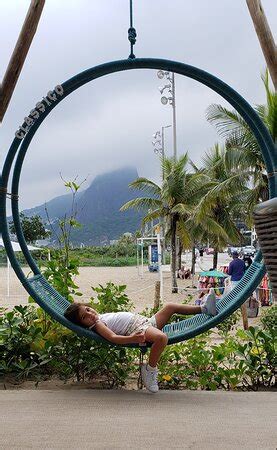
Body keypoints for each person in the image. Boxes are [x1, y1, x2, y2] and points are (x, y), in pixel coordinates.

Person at [64, 291, 217, 393]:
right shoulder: (97, 325)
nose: (90, 315)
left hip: (145, 321)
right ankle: (149, 371)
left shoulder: (100, 317)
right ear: (82, 324)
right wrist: (133, 339)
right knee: (161, 338)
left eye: (88, 310)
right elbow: (113, 338)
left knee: (170, 307)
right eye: (85, 317)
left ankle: (204, 309)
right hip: (137, 328)